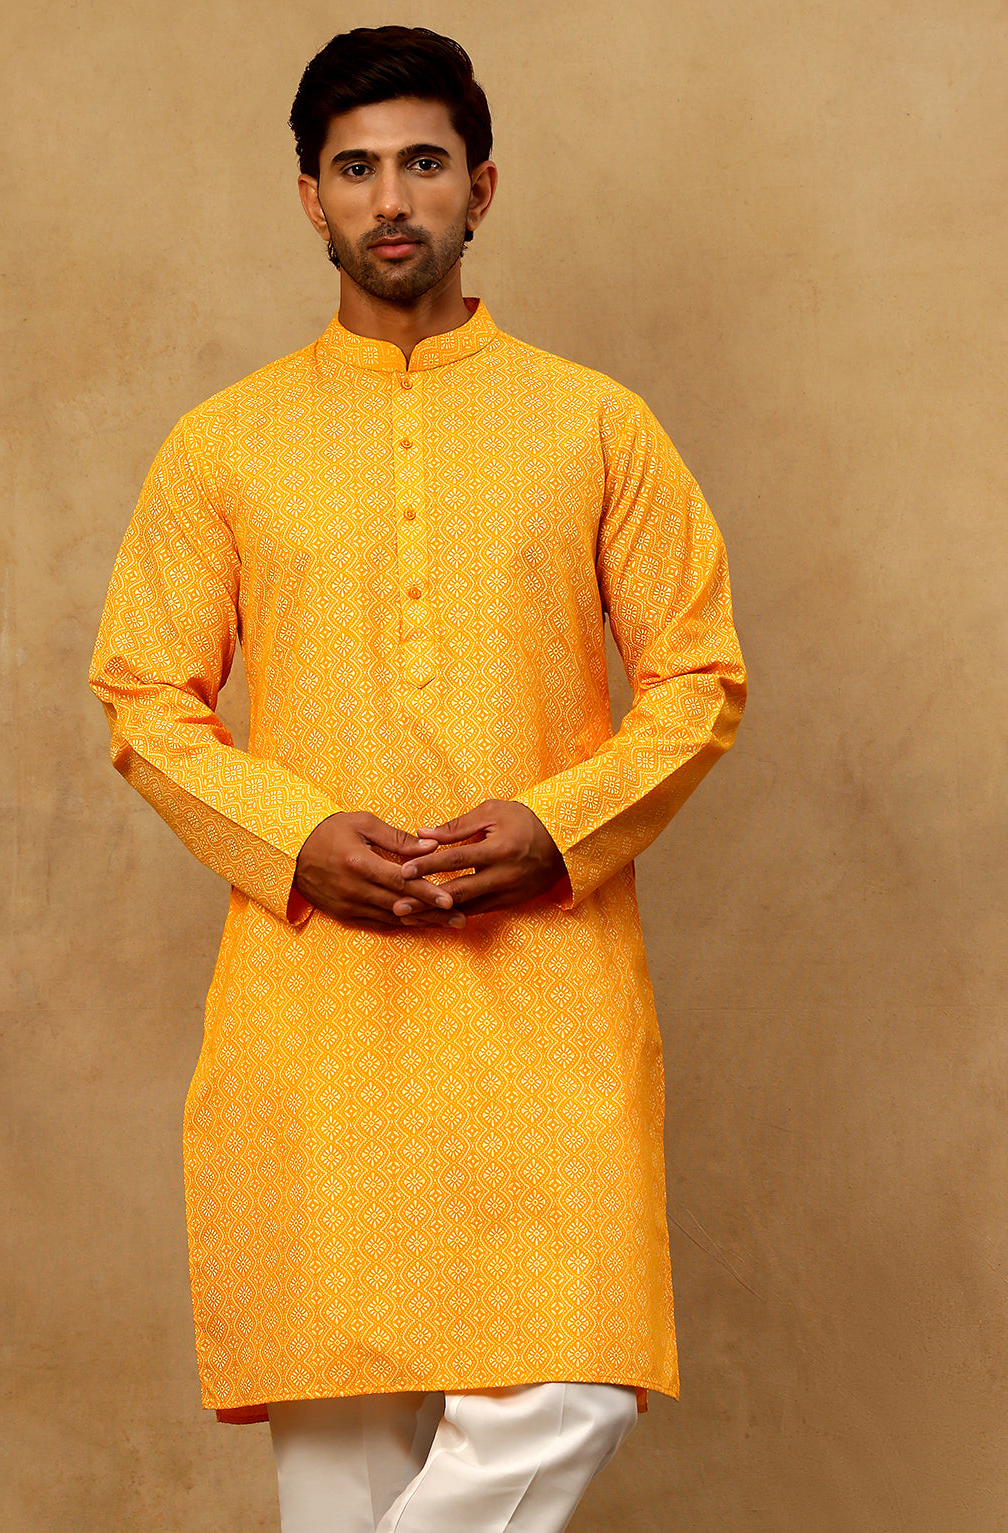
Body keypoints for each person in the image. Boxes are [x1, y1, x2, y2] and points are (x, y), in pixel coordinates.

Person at [89, 24, 746, 1533]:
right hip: (315, 1006)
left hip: (545, 985)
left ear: (481, 186)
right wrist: (295, 834)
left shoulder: (595, 424)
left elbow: (699, 676)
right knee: (341, 1464)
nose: (391, 199)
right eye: (356, 168)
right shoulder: (223, 444)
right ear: (309, 198)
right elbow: (141, 694)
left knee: (569, 1386)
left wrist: (559, 825)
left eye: (423, 163)